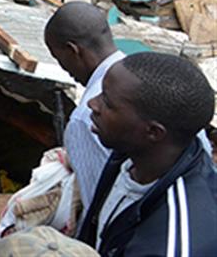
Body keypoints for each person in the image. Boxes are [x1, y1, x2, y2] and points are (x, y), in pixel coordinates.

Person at [45, 1, 212, 218]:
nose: (94, 104)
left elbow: (101, 208)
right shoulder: (163, 81)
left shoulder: (86, 121)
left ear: (73, 50)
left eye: (59, 59)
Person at [77, 52, 216, 255]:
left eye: (107, 102)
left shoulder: (169, 242)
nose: (92, 104)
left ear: (153, 132)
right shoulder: (131, 154)